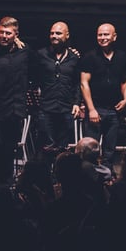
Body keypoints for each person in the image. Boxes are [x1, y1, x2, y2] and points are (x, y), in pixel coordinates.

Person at [0, 16, 30, 183]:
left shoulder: (24, 51)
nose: (4, 36)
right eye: (1, 32)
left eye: (8, 33)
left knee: (10, 150)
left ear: (16, 35)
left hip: (14, 110)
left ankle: (8, 183)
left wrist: (72, 51)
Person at [80, 22, 126, 169]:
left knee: (110, 150)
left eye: (106, 34)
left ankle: (107, 176)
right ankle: (89, 176)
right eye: (100, 35)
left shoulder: (122, 57)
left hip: (113, 110)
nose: (102, 37)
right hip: (96, 109)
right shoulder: (90, 56)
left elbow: (125, 81)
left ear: (114, 37)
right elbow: (84, 83)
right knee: (89, 150)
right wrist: (91, 109)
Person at [31, 21, 82, 155]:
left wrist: (77, 102)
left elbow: (77, 82)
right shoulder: (41, 54)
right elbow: (33, 77)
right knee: (46, 148)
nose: (54, 36)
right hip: (46, 108)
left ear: (67, 35)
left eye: (58, 33)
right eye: (52, 33)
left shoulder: (74, 57)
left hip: (66, 108)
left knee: (63, 149)